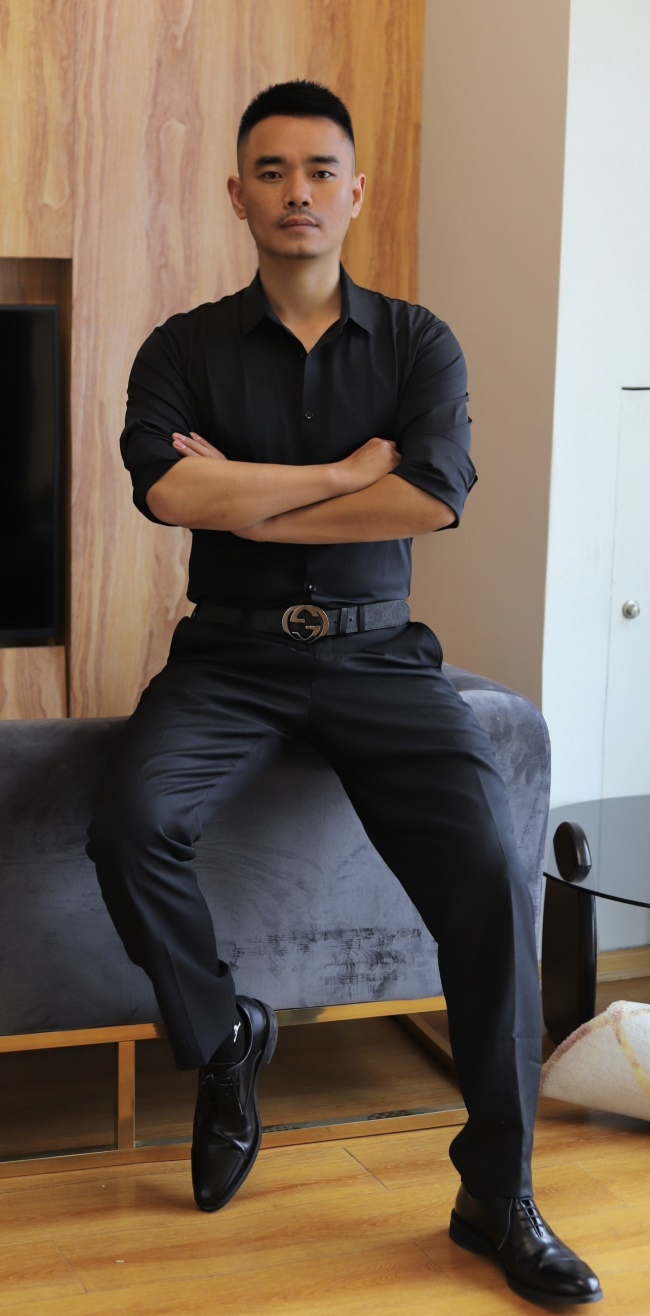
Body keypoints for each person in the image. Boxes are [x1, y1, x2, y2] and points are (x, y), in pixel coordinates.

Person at [87, 80, 602, 1307]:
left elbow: (427, 498)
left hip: (380, 659)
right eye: (270, 171)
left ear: (355, 190)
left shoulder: (419, 343)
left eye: (319, 169)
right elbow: (171, 494)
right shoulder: (180, 348)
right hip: (230, 659)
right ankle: (225, 1038)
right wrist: (337, 471)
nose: (297, 191)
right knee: (130, 823)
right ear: (236, 194)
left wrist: (254, 492)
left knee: (491, 875)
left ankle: (496, 1192)